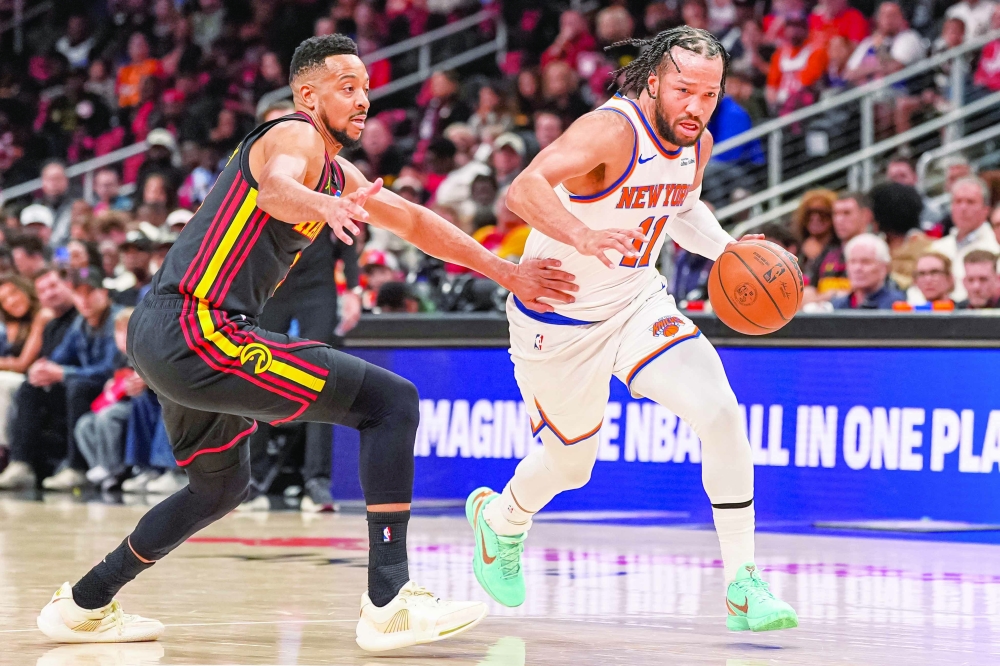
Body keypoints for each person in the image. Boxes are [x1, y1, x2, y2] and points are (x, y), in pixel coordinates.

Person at [36, 34, 575, 651]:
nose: (364, 99)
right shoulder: (293, 135)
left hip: (166, 331)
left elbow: (419, 223)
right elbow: (276, 190)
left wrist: (507, 272)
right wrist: (325, 204)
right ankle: (390, 602)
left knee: (222, 486)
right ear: (306, 93)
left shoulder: (338, 170)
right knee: (390, 404)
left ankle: (84, 603)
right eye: (348, 86)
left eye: (367, 88)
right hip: (197, 325)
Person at [464, 26, 798, 633]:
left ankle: (743, 583)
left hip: (637, 301)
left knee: (721, 413)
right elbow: (525, 186)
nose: (696, 106)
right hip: (557, 317)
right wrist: (583, 235)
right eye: (684, 90)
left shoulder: (696, 143)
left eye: (710, 94)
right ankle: (503, 519)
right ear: (653, 82)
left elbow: (681, 206)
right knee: (571, 466)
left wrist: (726, 251)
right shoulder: (611, 130)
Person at [0, 275, 54, 455]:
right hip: (20, 379)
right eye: (4, 300)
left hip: (37, 379)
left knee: (2, 382)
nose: (12, 301)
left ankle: (4, 450)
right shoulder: (11, 325)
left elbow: (23, 363)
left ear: (25, 288)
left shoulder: (43, 315)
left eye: (14, 293)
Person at [930, 176, 1000, 301]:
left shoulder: (996, 247)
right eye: (958, 201)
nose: (963, 208)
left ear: (986, 210)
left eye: (970, 202)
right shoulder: (936, 248)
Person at [831, 234, 906, 309]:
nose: (858, 268)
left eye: (866, 262)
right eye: (853, 262)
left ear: (884, 268)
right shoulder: (837, 305)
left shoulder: (896, 305)